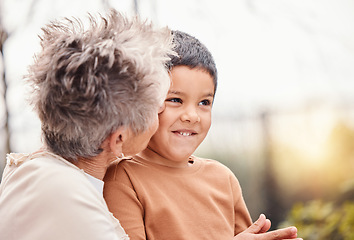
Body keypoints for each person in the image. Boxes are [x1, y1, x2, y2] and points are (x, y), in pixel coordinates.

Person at [103, 30, 302, 240]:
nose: (192, 116)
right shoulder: (122, 179)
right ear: (145, 102)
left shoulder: (223, 179)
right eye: (175, 100)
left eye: (204, 103)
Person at [0, 10, 174, 240]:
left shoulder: (34, 170)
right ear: (118, 139)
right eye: (157, 106)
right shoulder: (67, 196)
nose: (163, 110)